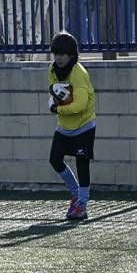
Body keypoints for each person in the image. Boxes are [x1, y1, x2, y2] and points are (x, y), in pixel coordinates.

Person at [47, 31, 96, 220]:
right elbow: (55, 92)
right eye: (56, 53)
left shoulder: (79, 74)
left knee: (82, 164)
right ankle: (75, 193)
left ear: (72, 55)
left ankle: (82, 205)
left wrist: (57, 109)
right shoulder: (51, 70)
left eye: (63, 54)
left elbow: (80, 105)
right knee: (54, 160)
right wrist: (53, 101)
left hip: (84, 125)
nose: (59, 58)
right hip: (64, 126)